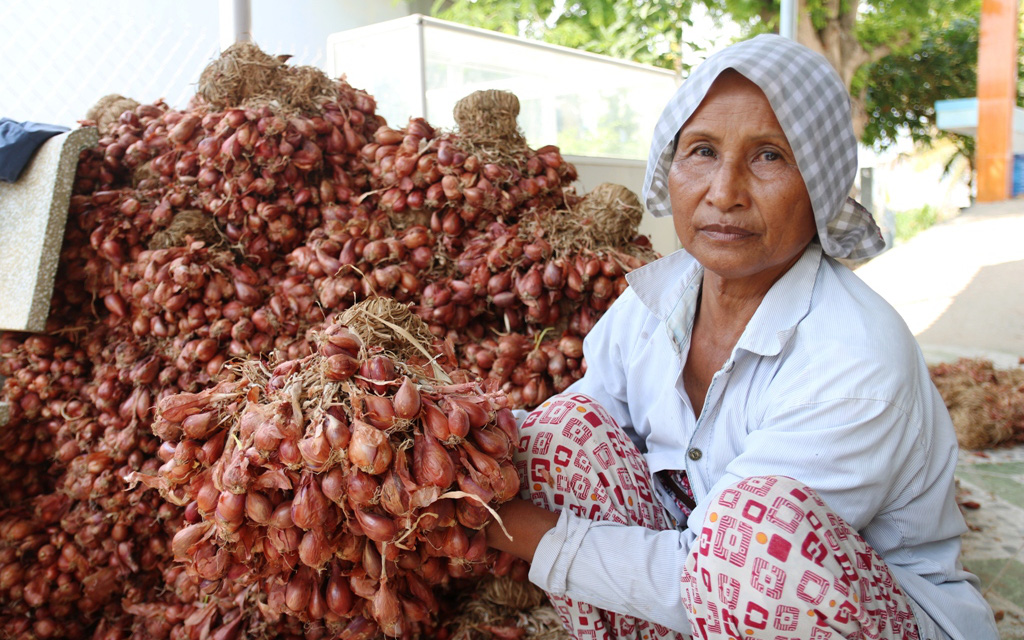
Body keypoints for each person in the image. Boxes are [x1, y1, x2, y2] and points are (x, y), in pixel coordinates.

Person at [485, 34, 998, 640]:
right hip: (706, 582)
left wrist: (502, 526)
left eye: (769, 156)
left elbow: (731, 570)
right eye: (701, 151)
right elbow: (585, 425)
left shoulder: (854, 359)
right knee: (561, 435)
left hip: (854, 612)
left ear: (821, 186)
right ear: (670, 168)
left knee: (756, 541)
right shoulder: (655, 302)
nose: (724, 192)